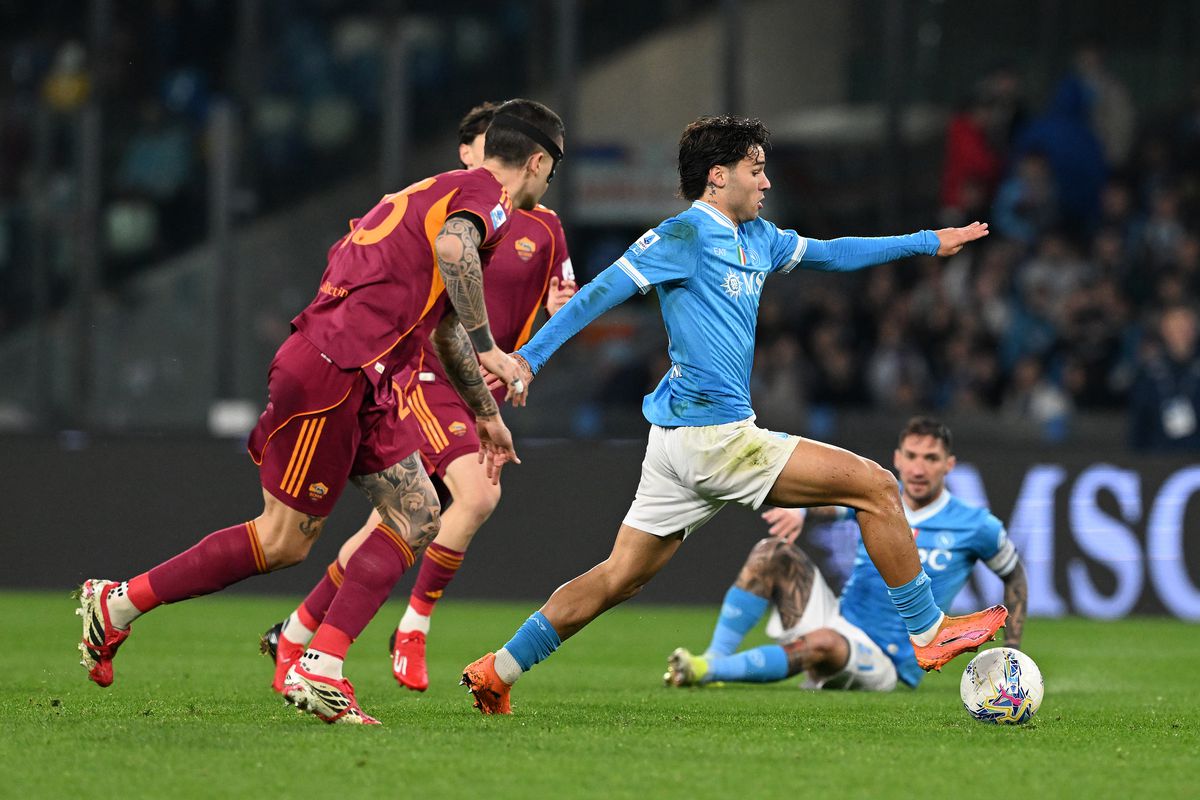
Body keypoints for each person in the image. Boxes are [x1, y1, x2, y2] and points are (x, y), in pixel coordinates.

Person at [460, 114, 1006, 715]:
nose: (766, 182)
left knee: (620, 577)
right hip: (711, 439)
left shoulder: (760, 238)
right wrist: (529, 359)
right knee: (877, 486)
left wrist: (929, 240)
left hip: (680, 445)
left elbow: (835, 254)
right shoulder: (683, 236)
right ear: (718, 177)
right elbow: (596, 295)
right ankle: (928, 634)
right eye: (756, 169)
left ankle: (498, 669)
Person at [76, 98, 565, 725]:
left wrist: (485, 412)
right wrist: (494, 346)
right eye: (551, 170)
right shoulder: (485, 194)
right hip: (337, 368)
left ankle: (322, 665)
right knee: (282, 541)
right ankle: (118, 603)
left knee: (416, 511)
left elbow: (442, 328)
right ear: (536, 160)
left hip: (366, 375)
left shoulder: (442, 189)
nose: (549, 184)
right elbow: (453, 250)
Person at [259, 101, 577, 695]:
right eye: (483, 144)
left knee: (400, 518)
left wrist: (542, 339)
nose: (492, 160)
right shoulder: (451, 206)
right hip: (428, 372)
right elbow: (430, 303)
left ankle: (299, 632)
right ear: (468, 152)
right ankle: (411, 628)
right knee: (477, 494)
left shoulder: (543, 226)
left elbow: (561, 301)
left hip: (482, 384)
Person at [664, 417, 1027, 692]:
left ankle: (703, 672)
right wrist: (802, 511)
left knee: (824, 644)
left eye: (931, 458)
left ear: (948, 465)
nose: (919, 468)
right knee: (771, 552)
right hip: (841, 619)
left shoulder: (977, 525)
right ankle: (714, 656)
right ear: (897, 458)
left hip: (890, 662)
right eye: (912, 456)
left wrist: (1012, 651)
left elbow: (1014, 575)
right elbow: (833, 506)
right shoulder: (880, 501)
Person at [1129, 304, 1200, 451]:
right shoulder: (1150, 370)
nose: (1181, 332)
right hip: (1159, 455)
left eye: (1186, 325)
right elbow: (1140, 420)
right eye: (1175, 326)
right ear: (1164, 330)